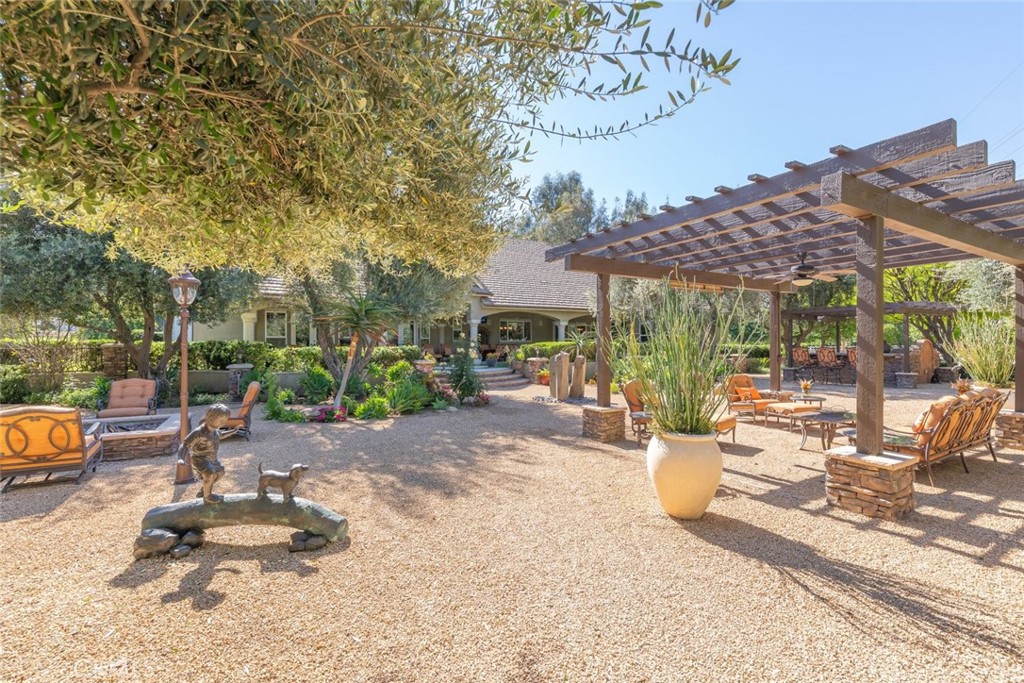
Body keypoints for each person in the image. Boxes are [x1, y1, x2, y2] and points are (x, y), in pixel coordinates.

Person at [176, 404, 231, 503]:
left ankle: (204, 490)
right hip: (200, 459)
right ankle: (208, 497)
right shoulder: (199, 432)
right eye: (221, 420)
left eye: (225, 420)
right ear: (211, 417)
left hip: (212, 458)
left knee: (220, 473)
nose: (223, 423)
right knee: (210, 474)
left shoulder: (215, 431)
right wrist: (181, 457)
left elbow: (221, 435)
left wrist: (234, 431)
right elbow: (185, 445)